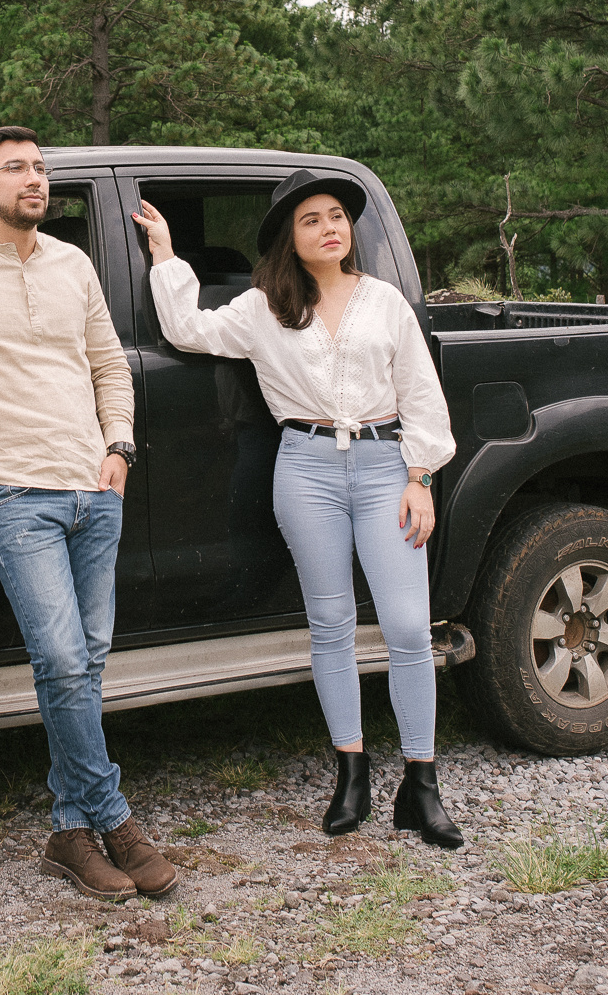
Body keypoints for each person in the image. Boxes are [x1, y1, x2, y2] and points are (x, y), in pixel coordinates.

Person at [0, 124, 179, 902]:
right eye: (15, 169)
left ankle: (67, 833)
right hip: (13, 493)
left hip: (94, 489)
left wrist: (120, 448)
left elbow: (109, 363)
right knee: (62, 660)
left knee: (82, 666)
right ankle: (115, 819)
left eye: (41, 169)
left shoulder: (72, 264)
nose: (34, 180)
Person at [132, 167, 463, 848]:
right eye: (311, 219)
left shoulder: (386, 303)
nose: (329, 228)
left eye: (337, 215)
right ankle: (351, 774)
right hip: (305, 469)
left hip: (383, 468)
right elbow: (190, 330)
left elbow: (422, 394)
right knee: (331, 624)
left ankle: (422, 785)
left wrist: (420, 476)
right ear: (290, 235)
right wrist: (166, 255)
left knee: (406, 627)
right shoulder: (263, 309)